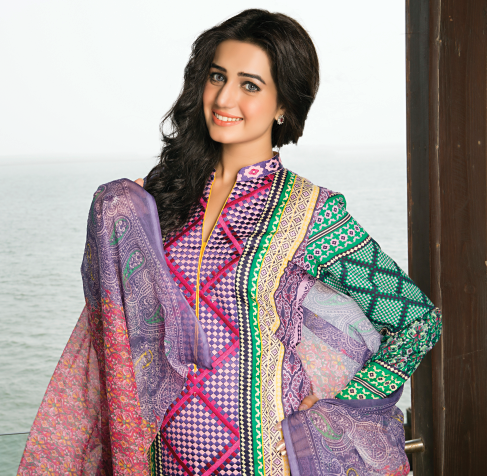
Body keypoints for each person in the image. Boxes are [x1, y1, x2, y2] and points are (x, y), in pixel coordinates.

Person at [18, 9, 441, 476]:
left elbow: (418, 321)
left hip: (265, 461)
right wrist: (122, 213)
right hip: (161, 461)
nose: (224, 98)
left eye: (250, 85)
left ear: (283, 105)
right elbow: (121, 328)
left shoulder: (309, 211)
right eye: (217, 77)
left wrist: (334, 416)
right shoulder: (160, 199)